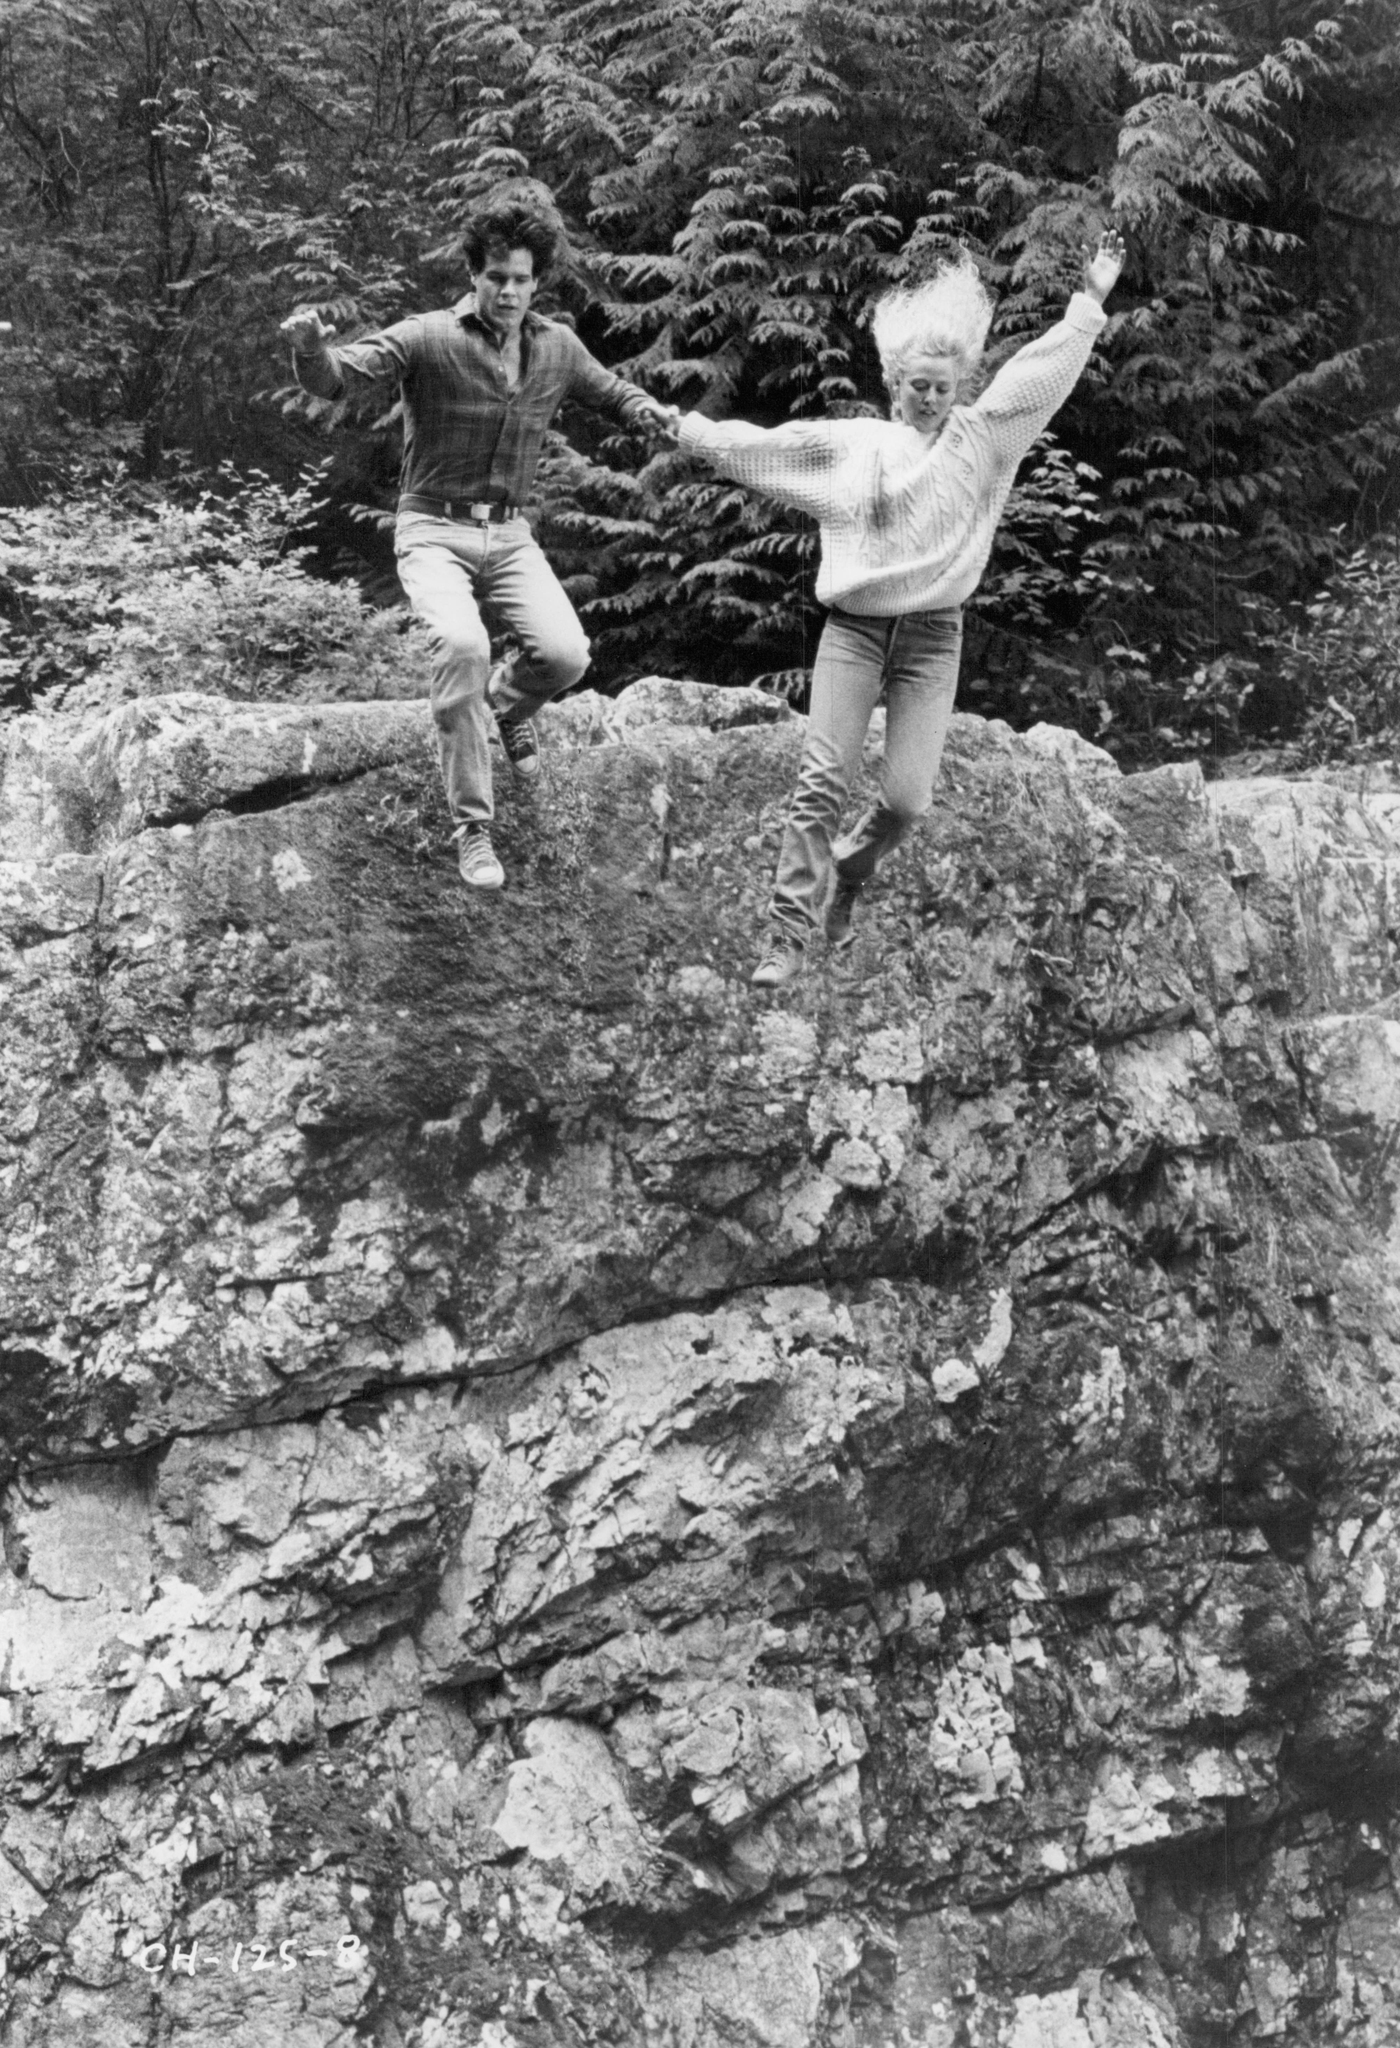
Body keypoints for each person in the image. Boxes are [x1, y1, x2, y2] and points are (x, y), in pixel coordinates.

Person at [673, 228, 1126, 985]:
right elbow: (767, 449)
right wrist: (687, 430)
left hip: (932, 640)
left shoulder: (985, 440)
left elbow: (1042, 375)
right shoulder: (859, 448)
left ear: (961, 385)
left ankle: (849, 870)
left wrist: (1090, 304)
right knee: (822, 779)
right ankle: (786, 936)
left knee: (908, 801)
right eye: (917, 386)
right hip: (853, 634)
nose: (930, 399)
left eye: (944, 388)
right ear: (894, 381)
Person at [281, 193, 674, 891]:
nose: (510, 291)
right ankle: (474, 827)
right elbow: (336, 376)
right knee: (462, 644)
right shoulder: (428, 337)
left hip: (509, 533)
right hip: (432, 527)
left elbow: (614, 393)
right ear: (475, 274)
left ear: (537, 279)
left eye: (522, 278)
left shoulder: (556, 347)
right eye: (497, 277)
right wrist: (309, 346)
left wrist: (651, 414)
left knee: (565, 655)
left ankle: (507, 705)